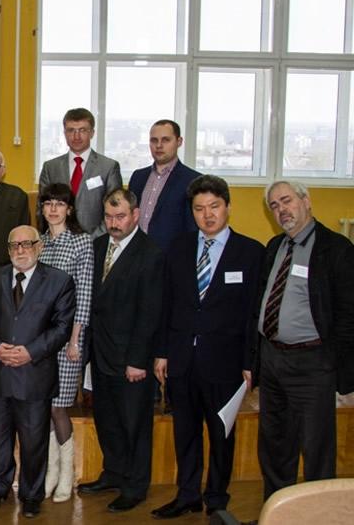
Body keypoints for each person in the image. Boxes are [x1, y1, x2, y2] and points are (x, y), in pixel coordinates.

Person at [151, 175, 264, 519]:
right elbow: (166, 303)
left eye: (214, 207)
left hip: (225, 362)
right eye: (199, 209)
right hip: (182, 359)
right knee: (185, 432)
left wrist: (250, 362)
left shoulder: (251, 252)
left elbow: (253, 314)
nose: (207, 215)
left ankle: (216, 497)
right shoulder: (179, 248)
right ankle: (187, 495)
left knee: (221, 435)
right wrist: (162, 352)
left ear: (228, 207)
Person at [255, 181, 354, 501]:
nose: (281, 209)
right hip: (272, 360)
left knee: (316, 448)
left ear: (306, 201)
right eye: (274, 205)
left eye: (287, 201)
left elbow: (348, 314)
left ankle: (318, 513)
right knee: (274, 444)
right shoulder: (275, 246)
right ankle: (277, 512)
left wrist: (333, 364)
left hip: (313, 363)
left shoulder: (336, 249)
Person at [0, 225, 76, 519]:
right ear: (8, 250)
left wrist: (31, 351)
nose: (20, 250)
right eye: (14, 245)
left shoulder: (59, 281)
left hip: (35, 375)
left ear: (39, 247)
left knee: (34, 442)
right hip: (0, 373)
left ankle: (31, 495)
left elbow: (62, 327)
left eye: (26, 244)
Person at [77, 188, 164, 513]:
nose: (114, 223)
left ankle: (135, 486)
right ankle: (113, 473)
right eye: (109, 216)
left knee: (135, 425)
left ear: (136, 215)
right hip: (100, 354)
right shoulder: (99, 246)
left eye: (121, 216)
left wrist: (138, 360)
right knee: (107, 419)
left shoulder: (150, 253)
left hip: (131, 360)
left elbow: (150, 312)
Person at [36, 183, 94, 503]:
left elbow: (84, 292)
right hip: (40, 340)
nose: (53, 209)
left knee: (59, 407)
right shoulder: (39, 241)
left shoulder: (81, 241)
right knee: (44, 405)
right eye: (48, 203)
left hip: (67, 339)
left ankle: (67, 474)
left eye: (60, 204)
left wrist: (75, 340)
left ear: (69, 209)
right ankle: (50, 472)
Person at [39, 107, 122, 237]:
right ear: (64, 133)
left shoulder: (109, 167)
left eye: (82, 130)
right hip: (58, 242)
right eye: (71, 130)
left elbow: (114, 210)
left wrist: (90, 240)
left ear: (92, 133)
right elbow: (42, 209)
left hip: (97, 241)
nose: (76, 136)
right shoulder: (50, 168)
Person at [128, 119, 201, 253]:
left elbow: (193, 228)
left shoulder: (193, 180)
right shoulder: (138, 177)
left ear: (179, 142)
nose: (159, 145)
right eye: (154, 140)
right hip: (136, 255)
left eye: (166, 140)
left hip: (172, 256)